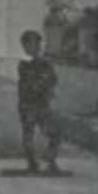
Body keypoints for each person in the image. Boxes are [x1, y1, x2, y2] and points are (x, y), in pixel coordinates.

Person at [17, 29, 61, 174]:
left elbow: (53, 79)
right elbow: (27, 83)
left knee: (53, 132)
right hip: (28, 104)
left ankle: (51, 161)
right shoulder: (24, 64)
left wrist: (47, 92)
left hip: (43, 103)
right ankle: (32, 163)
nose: (31, 48)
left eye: (35, 44)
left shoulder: (45, 62)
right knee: (28, 134)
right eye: (27, 45)